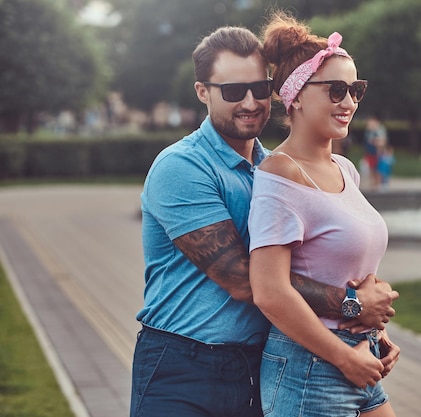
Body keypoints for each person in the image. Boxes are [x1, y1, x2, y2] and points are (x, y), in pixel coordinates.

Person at [131, 25, 399, 417]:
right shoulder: (182, 167)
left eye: (260, 87)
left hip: (259, 362)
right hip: (184, 365)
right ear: (202, 91)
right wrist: (354, 305)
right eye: (234, 91)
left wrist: (371, 328)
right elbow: (247, 280)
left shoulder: (276, 168)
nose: (252, 102)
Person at [248, 12, 398, 417]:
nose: (349, 102)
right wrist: (344, 357)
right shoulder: (281, 173)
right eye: (335, 90)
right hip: (309, 369)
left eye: (355, 89)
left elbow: (344, 267)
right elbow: (269, 292)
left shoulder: (344, 170)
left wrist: (376, 331)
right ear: (294, 95)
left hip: (360, 361)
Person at [363, 114, 388, 189]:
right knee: (371, 168)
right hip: (370, 152)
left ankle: (377, 184)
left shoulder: (379, 130)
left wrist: (374, 142)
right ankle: (373, 183)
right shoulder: (369, 131)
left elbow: (382, 141)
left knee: (377, 169)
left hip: (377, 152)